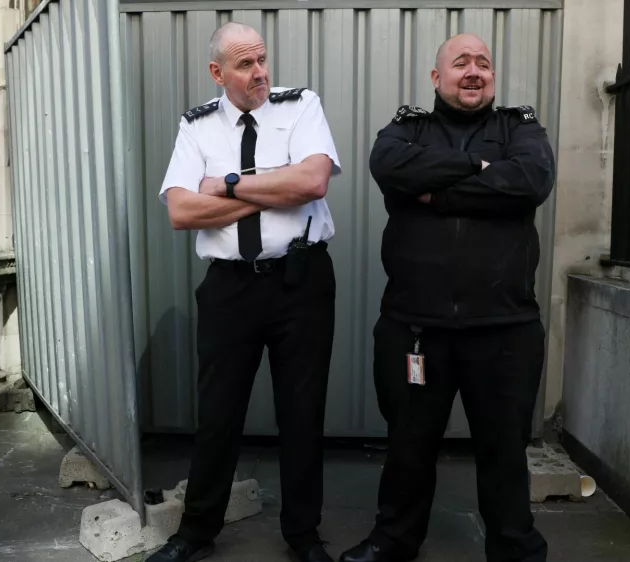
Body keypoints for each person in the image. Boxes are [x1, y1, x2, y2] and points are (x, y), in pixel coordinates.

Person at [339, 33, 556, 562]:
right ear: (438, 78)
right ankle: (394, 540)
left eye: (483, 63)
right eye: (461, 63)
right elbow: (389, 166)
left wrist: (434, 188)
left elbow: (530, 179)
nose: (474, 71)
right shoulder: (406, 129)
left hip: (505, 328)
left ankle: (515, 549)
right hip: (415, 329)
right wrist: (484, 173)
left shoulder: (519, 128)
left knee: (504, 452)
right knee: (409, 446)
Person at [150, 21, 341, 562]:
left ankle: (303, 536)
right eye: (244, 64)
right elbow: (182, 211)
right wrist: (274, 188)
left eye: (262, 60)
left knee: (303, 412)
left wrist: (229, 185)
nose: (259, 73)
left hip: (300, 281)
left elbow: (313, 183)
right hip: (229, 288)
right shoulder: (197, 126)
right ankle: (195, 533)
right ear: (218, 72)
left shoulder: (300, 106)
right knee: (218, 413)